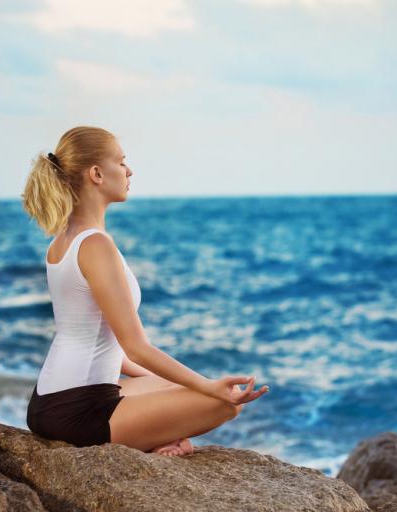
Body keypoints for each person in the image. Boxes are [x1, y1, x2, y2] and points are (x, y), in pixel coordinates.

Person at [20, 126, 269, 457]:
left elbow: (109, 346)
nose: (129, 170)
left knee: (184, 385)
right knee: (224, 403)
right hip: (78, 413)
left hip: (51, 400)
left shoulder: (63, 241)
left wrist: (179, 390)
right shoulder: (95, 245)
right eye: (121, 162)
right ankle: (156, 438)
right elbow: (135, 347)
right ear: (96, 174)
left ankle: (161, 432)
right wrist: (207, 388)